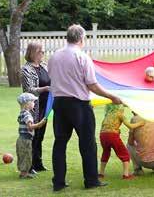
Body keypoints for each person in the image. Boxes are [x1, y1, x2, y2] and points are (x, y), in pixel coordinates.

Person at [48, 24, 122, 191]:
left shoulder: (54, 57)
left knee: (60, 143)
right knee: (87, 143)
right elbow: (92, 85)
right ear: (82, 39)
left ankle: (58, 182)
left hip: (59, 103)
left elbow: (52, 78)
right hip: (79, 104)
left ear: (67, 37)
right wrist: (112, 96)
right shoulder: (82, 57)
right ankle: (91, 180)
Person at [20, 42, 50, 172]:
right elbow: (29, 89)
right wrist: (46, 88)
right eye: (41, 51)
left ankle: (38, 163)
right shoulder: (26, 69)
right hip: (33, 106)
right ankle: (29, 165)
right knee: (32, 135)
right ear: (33, 53)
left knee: (40, 135)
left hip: (46, 105)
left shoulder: (44, 66)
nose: (43, 53)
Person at [98, 104, 144, 179]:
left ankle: (101, 173)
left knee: (106, 153)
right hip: (112, 135)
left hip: (102, 135)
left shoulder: (108, 115)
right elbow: (130, 126)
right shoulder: (120, 114)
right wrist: (141, 123)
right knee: (125, 154)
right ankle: (126, 175)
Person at [15, 93, 47, 179]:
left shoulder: (22, 113)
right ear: (27, 104)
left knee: (23, 155)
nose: (34, 103)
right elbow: (30, 127)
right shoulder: (27, 114)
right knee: (27, 156)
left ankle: (23, 172)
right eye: (33, 102)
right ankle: (24, 173)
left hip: (21, 139)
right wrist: (40, 124)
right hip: (25, 140)